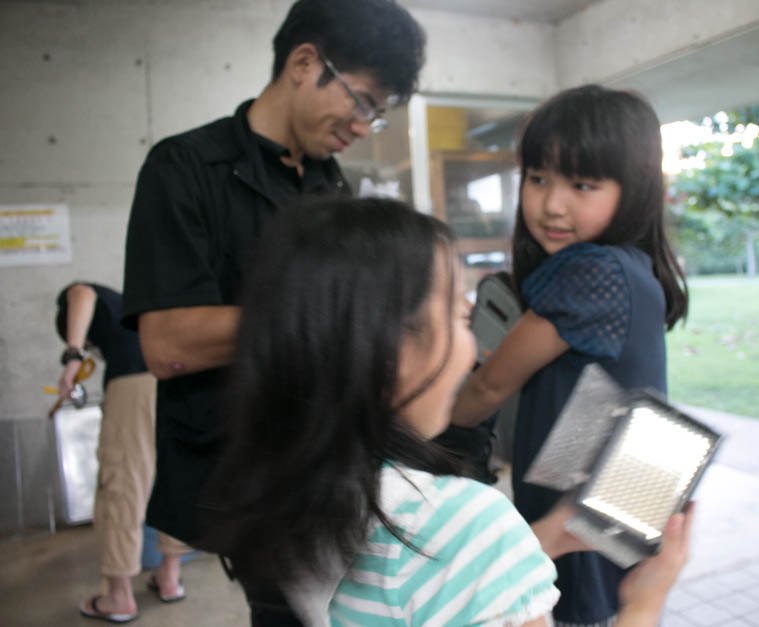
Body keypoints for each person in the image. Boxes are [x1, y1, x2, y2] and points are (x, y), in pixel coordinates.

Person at [203, 197, 694, 627]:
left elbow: (416, 587)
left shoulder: (298, 489)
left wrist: (542, 538)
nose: (475, 345)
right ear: (389, 350)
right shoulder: (465, 521)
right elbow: (443, 553)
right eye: (463, 318)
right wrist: (644, 604)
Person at [120, 1, 425, 624]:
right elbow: (168, 342)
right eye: (362, 101)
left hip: (335, 463)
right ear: (304, 63)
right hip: (243, 471)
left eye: (379, 113)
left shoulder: (329, 185)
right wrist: (333, 306)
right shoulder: (184, 170)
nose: (365, 126)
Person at [450, 85, 690, 626]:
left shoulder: (592, 272)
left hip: (575, 509)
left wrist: (424, 438)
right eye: (538, 178)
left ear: (634, 191)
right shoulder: (632, 267)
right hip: (623, 495)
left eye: (582, 184)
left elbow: (490, 386)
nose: (552, 205)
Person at [54, 282, 189, 623]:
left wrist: (72, 356)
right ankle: (169, 578)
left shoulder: (84, 294)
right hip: (173, 378)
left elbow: (81, 293)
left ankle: (119, 597)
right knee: (169, 478)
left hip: (134, 383)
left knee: (122, 483)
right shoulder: (125, 308)